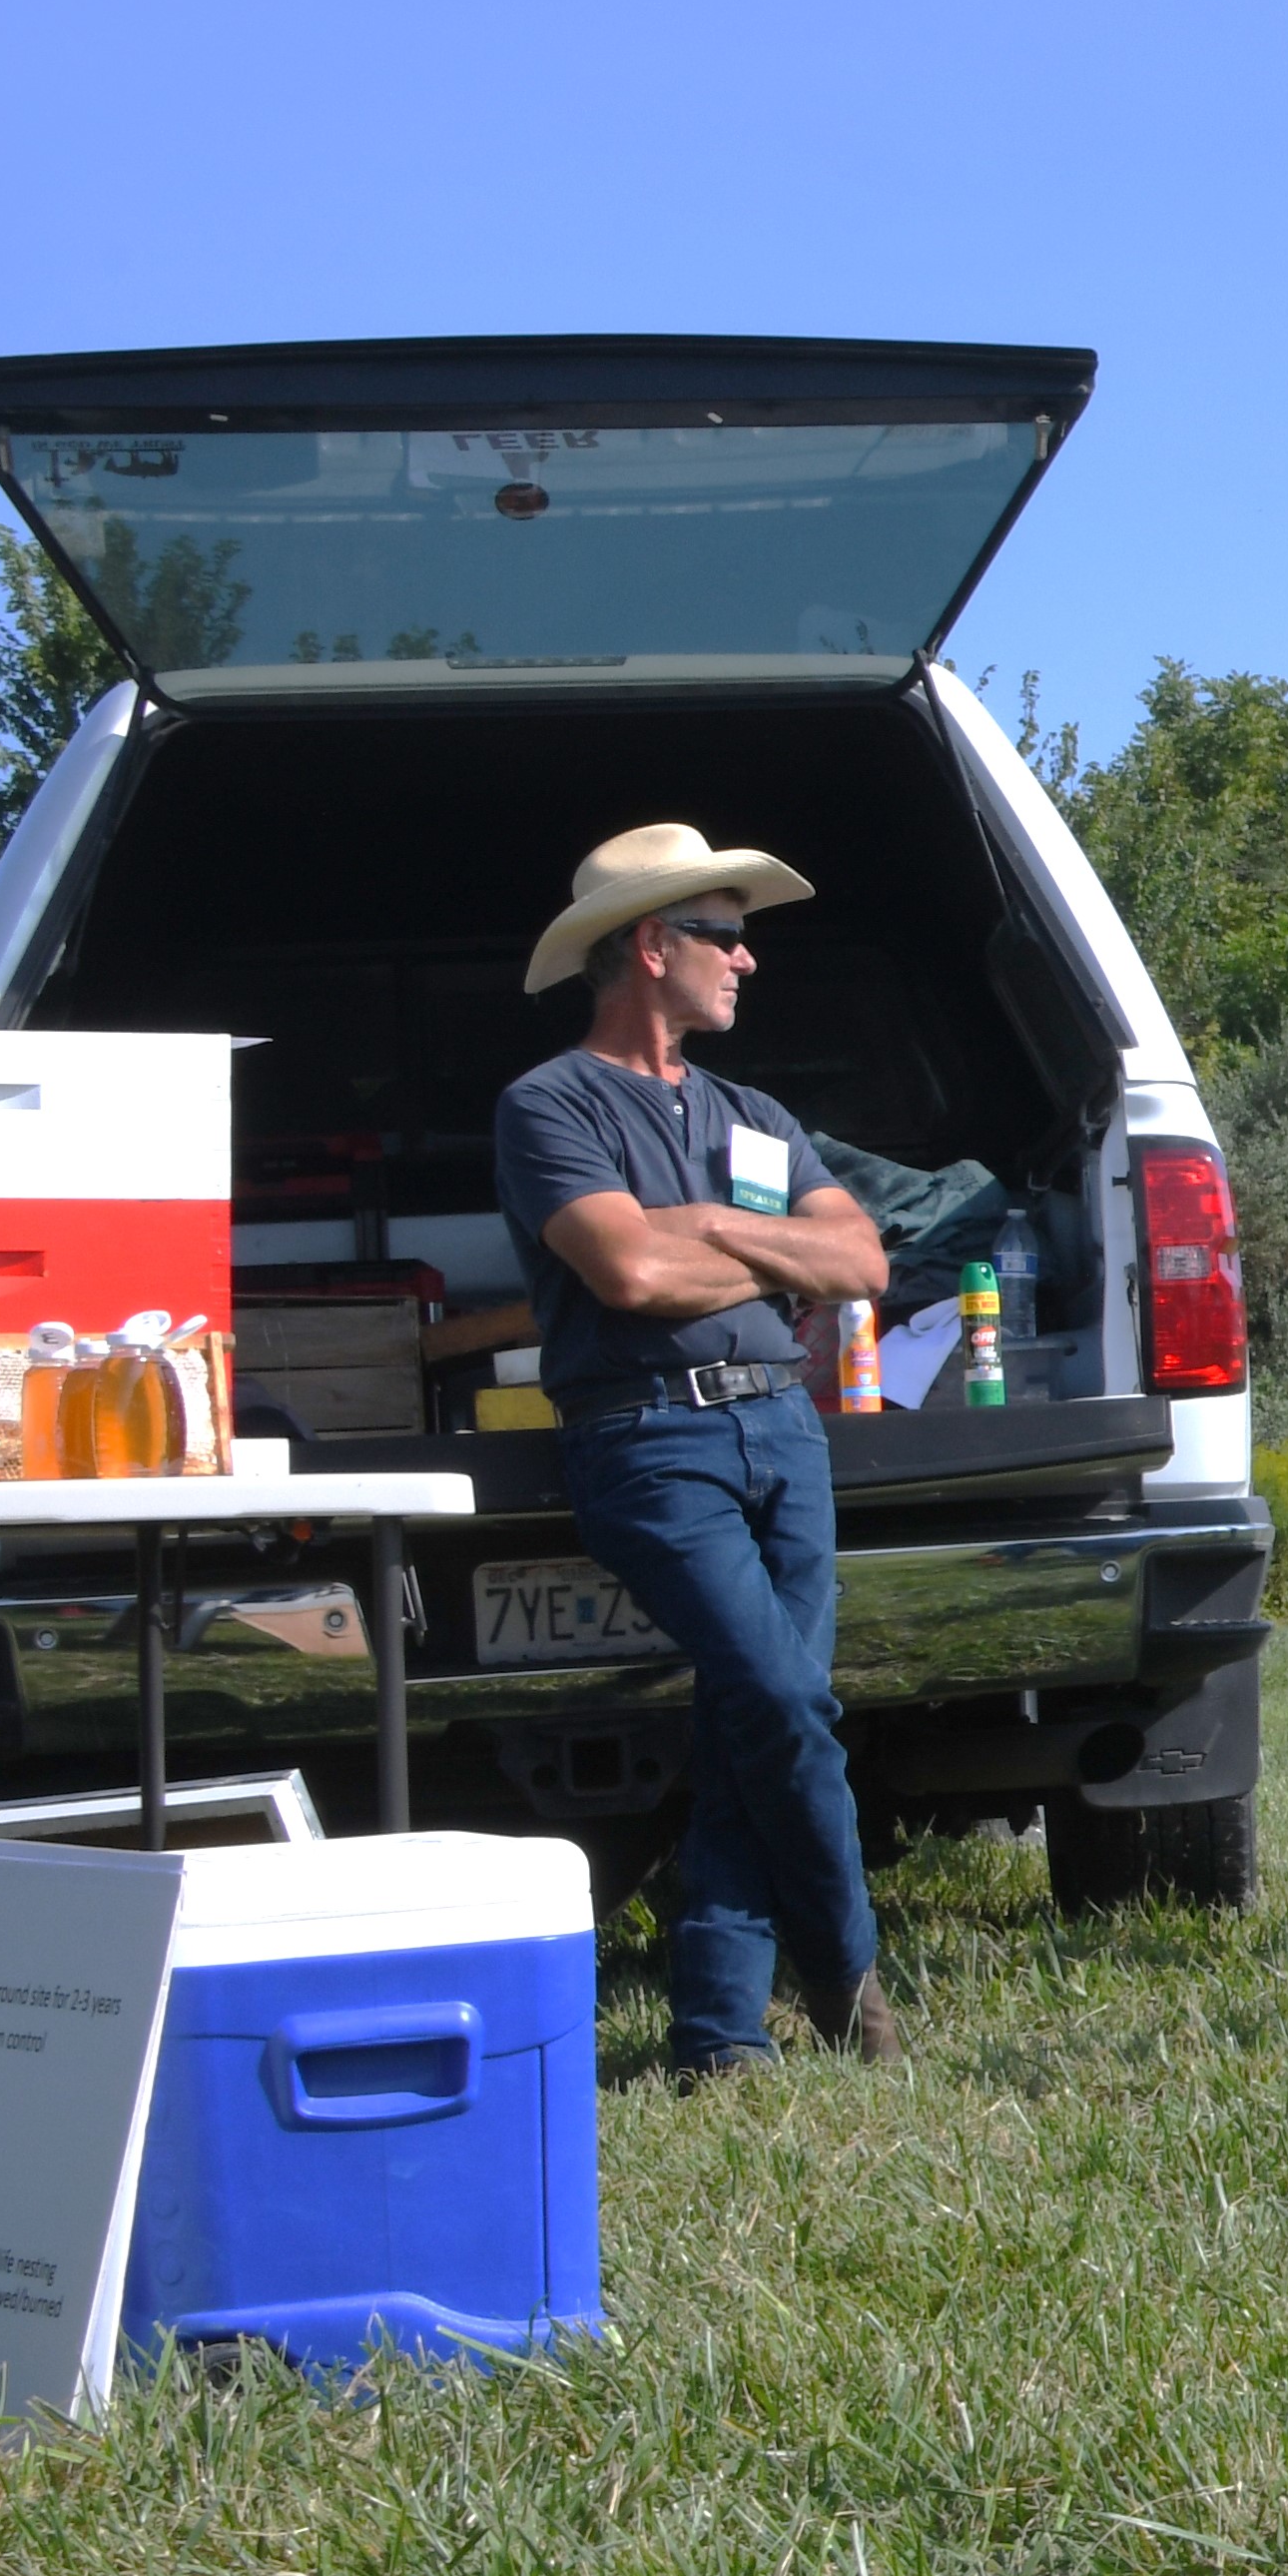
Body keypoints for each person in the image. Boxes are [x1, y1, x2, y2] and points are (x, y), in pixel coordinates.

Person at [497, 823, 898, 2076]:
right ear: (651, 945)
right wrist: (756, 1255)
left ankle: (720, 2031)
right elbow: (626, 1269)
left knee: (754, 1716)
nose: (747, 961)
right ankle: (846, 1973)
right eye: (726, 934)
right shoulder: (548, 1104)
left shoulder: (756, 1116)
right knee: (782, 1700)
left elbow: (863, 1262)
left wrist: (716, 1223)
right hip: (650, 1440)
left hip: (784, 1426)